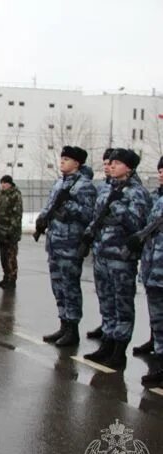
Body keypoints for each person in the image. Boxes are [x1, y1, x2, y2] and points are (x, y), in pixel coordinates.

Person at [82, 148, 150, 367]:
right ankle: (108, 342)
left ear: (128, 168)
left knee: (122, 304)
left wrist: (118, 206)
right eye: (110, 163)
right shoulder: (105, 189)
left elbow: (138, 225)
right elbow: (97, 216)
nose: (110, 166)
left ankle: (119, 350)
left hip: (122, 256)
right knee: (106, 301)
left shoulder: (136, 192)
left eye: (116, 163)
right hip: (102, 254)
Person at [38, 146, 97, 346]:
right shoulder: (58, 184)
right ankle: (63, 324)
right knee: (58, 286)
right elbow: (50, 205)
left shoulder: (84, 186)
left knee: (70, 287)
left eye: (66, 159)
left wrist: (69, 204)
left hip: (71, 244)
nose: (62, 162)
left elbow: (89, 214)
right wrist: (42, 218)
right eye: (61, 158)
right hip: (55, 243)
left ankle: (73, 328)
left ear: (77, 163)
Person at [130, 156, 163, 386]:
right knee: (158, 321)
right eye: (160, 170)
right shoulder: (157, 198)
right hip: (154, 268)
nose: (161, 173)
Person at [86, 149, 115, 340]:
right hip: (100, 246)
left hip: (116, 249)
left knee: (117, 295)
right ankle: (106, 325)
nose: (106, 167)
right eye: (104, 164)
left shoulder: (129, 189)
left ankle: (114, 334)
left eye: (109, 164)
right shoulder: (102, 187)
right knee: (103, 292)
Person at [0, 175, 23, 289]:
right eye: (2, 183)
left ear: (10, 183)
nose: (3, 185)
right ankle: (6, 277)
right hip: (1, 232)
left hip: (11, 233)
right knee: (3, 257)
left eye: (5, 183)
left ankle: (12, 279)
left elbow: (17, 214)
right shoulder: (0, 194)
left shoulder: (15, 194)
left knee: (11, 257)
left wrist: (11, 230)